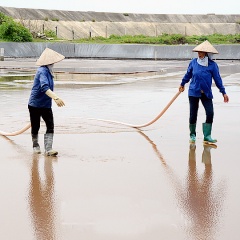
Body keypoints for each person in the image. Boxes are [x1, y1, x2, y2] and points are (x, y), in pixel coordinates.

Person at [179, 40, 229, 145]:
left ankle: (207, 136)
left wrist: (223, 92)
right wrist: (182, 84)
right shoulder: (193, 63)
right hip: (193, 92)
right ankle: (192, 135)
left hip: (206, 92)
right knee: (193, 114)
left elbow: (217, 79)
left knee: (210, 113)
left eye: (201, 51)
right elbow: (188, 75)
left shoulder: (212, 65)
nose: (199, 53)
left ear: (206, 53)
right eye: (198, 51)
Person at [28, 48, 65, 156]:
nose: (53, 64)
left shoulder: (49, 71)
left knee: (50, 125)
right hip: (35, 104)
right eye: (52, 62)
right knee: (36, 126)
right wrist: (56, 98)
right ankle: (35, 146)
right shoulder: (42, 71)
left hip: (45, 104)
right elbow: (44, 88)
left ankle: (48, 149)